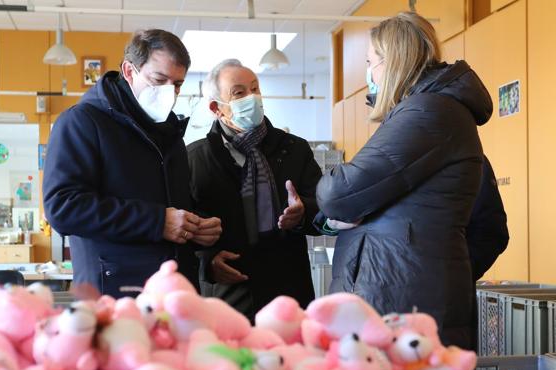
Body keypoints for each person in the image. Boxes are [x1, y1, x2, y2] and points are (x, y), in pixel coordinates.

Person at [316, 12, 492, 348]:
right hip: (407, 300)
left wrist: (428, 268)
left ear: (390, 61)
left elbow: (337, 194)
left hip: (403, 305)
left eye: (370, 62)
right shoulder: (432, 113)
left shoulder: (427, 113)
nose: (368, 74)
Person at [43, 29, 222, 298]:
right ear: (129, 71)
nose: (169, 92)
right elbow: (62, 207)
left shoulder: (169, 131)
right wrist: (157, 221)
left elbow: (170, 203)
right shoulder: (82, 122)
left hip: (173, 290)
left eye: (177, 84)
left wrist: (197, 227)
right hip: (114, 291)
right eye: (159, 79)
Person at [187, 59, 322, 320]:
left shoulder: (294, 149)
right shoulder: (195, 159)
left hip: (288, 293)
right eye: (239, 93)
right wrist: (207, 262)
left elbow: (324, 212)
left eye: (255, 89)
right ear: (217, 108)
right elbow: (182, 229)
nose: (252, 97)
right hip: (226, 299)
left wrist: (304, 213)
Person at [467, 154, 509, 351]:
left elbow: (491, 233)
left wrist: (456, 273)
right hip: (380, 309)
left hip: (447, 309)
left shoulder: (469, 158)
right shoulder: (380, 156)